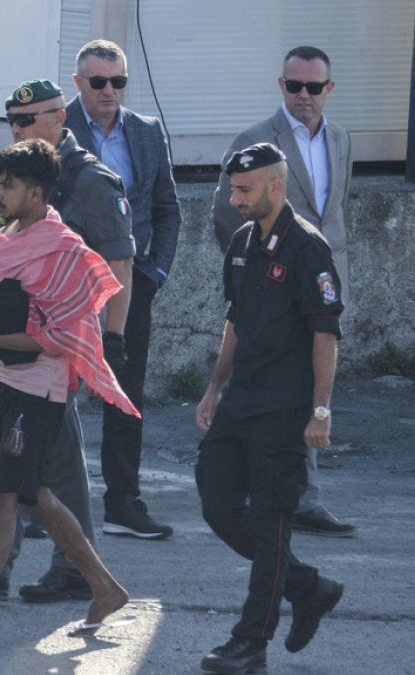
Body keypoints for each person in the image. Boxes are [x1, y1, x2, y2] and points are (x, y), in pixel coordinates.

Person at [0, 79, 134, 604]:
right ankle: (53, 572)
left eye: (31, 120)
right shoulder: (18, 177)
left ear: (60, 118)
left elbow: (117, 264)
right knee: (38, 474)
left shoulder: (89, 181)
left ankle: (7, 571)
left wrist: (110, 339)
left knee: (31, 478)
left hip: (58, 345)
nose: (21, 128)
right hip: (17, 350)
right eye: (14, 120)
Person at [195, 142, 344, 674]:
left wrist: (320, 412)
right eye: (233, 189)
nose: (235, 199)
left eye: (245, 189)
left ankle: (250, 643)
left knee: (270, 520)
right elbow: (236, 319)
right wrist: (214, 388)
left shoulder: (307, 249)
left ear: (275, 187)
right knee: (216, 505)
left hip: (285, 408)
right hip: (241, 401)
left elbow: (326, 335)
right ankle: (309, 588)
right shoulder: (241, 242)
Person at [211, 46, 356, 538]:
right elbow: (226, 209)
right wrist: (260, 262)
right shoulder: (255, 141)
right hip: (271, 286)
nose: (303, 96)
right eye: (294, 86)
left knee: (306, 385)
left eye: (314, 87)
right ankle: (280, 492)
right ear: (281, 86)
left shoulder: (340, 139)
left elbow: (334, 212)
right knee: (269, 384)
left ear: (328, 90)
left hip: (317, 284)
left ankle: (297, 494)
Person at [66, 40, 180, 539]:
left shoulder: (147, 132)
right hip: (64, 289)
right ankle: (38, 502)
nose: (109, 91)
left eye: (118, 82)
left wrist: (154, 274)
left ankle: (123, 502)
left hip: (129, 287)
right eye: (98, 82)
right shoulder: (53, 124)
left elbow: (167, 208)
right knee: (51, 393)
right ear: (79, 84)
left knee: (125, 395)